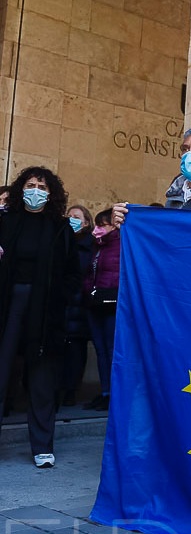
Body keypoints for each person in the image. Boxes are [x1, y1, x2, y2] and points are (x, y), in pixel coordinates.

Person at [0, 166, 81, 468]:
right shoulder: (6, 221)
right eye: (31, 185)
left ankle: (42, 447)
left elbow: (75, 271)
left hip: (45, 309)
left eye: (43, 187)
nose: (36, 190)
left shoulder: (61, 228)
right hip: (8, 304)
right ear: (21, 188)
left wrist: (62, 295)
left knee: (42, 379)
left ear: (52, 194)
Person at [82, 208, 120, 412]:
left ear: (113, 226)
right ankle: (105, 391)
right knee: (100, 350)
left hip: (112, 304)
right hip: (95, 304)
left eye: (101, 225)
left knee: (111, 350)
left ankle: (114, 393)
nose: (97, 229)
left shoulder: (121, 246)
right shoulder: (98, 247)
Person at [61, 205, 94, 407]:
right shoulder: (61, 240)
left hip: (79, 306)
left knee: (75, 351)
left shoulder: (90, 246)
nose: (71, 219)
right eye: (69, 216)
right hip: (62, 304)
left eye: (76, 216)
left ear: (86, 222)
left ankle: (70, 390)